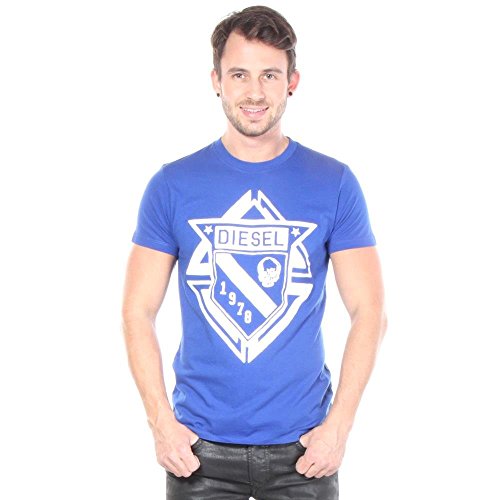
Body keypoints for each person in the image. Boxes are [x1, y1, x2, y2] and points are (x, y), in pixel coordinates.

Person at [122, 5, 387, 499]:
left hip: (304, 452)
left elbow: (369, 310)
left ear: (292, 82)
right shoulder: (172, 185)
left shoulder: (333, 183)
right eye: (239, 74)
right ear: (216, 81)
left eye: (270, 74)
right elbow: (137, 309)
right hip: (197, 453)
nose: (255, 92)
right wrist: (161, 423)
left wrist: (338, 428)